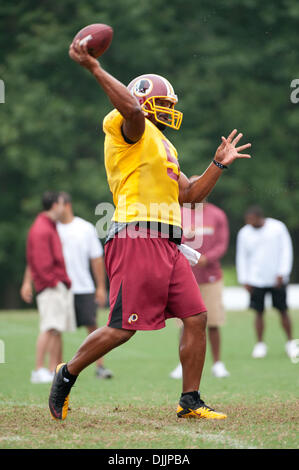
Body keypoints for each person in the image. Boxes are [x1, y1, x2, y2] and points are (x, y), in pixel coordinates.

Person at [48, 38, 251, 422]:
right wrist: (94, 67)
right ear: (140, 100)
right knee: (124, 328)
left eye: (170, 105)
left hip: (168, 241)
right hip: (136, 235)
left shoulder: (165, 144)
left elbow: (189, 196)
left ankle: (189, 400)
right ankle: (67, 372)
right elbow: (130, 109)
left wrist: (217, 165)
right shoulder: (131, 127)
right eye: (162, 103)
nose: (168, 110)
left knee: (196, 316)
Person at [22, 192, 113, 379]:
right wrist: (27, 282)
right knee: (55, 328)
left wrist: (101, 286)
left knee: (91, 325)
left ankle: (100, 366)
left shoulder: (84, 228)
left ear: (67, 205)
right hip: (57, 286)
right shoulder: (48, 228)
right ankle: (54, 368)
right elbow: (35, 257)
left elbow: (96, 259)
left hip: (82, 286)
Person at [170, 199, 230, 379]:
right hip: (185, 276)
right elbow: (173, 241)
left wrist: (206, 258)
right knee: (184, 324)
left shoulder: (217, 214)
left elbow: (222, 244)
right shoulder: (177, 213)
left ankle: (218, 363)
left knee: (213, 323)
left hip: (211, 277)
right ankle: (183, 364)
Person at [21, 191, 76, 383]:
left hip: (56, 284)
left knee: (55, 328)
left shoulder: (49, 226)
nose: (64, 207)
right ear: (54, 206)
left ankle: (53, 368)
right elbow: (41, 262)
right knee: (49, 326)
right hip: (50, 286)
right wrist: (53, 282)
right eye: (62, 204)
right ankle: (38, 369)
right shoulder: (41, 229)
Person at [236, 206, 297, 359]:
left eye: (252, 220)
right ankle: (260, 344)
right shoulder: (244, 233)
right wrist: (244, 279)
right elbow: (242, 256)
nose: (249, 223)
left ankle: (290, 343)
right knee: (258, 312)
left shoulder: (277, 227)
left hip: (277, 278)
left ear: (259, 217)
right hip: (256, 278)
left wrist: (283, 272)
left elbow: (286, 250)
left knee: (282, 310)